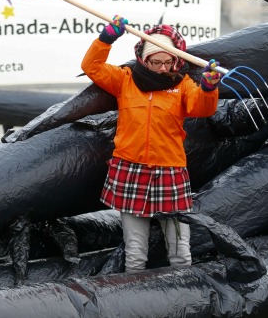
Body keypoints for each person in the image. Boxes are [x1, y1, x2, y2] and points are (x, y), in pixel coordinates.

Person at [81, 16, 221, 272]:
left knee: (180, 251)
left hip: (170, 172)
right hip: (130, 170)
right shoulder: (125, 79)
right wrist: (106, 39)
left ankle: (185, 294)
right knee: (135, 253)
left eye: (168, 62)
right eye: (155, 62)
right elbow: (92, 66)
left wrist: (209, 87)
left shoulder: (183, 85)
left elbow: (202, 108)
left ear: (176, 61)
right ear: (143, 60)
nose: (162, 68)